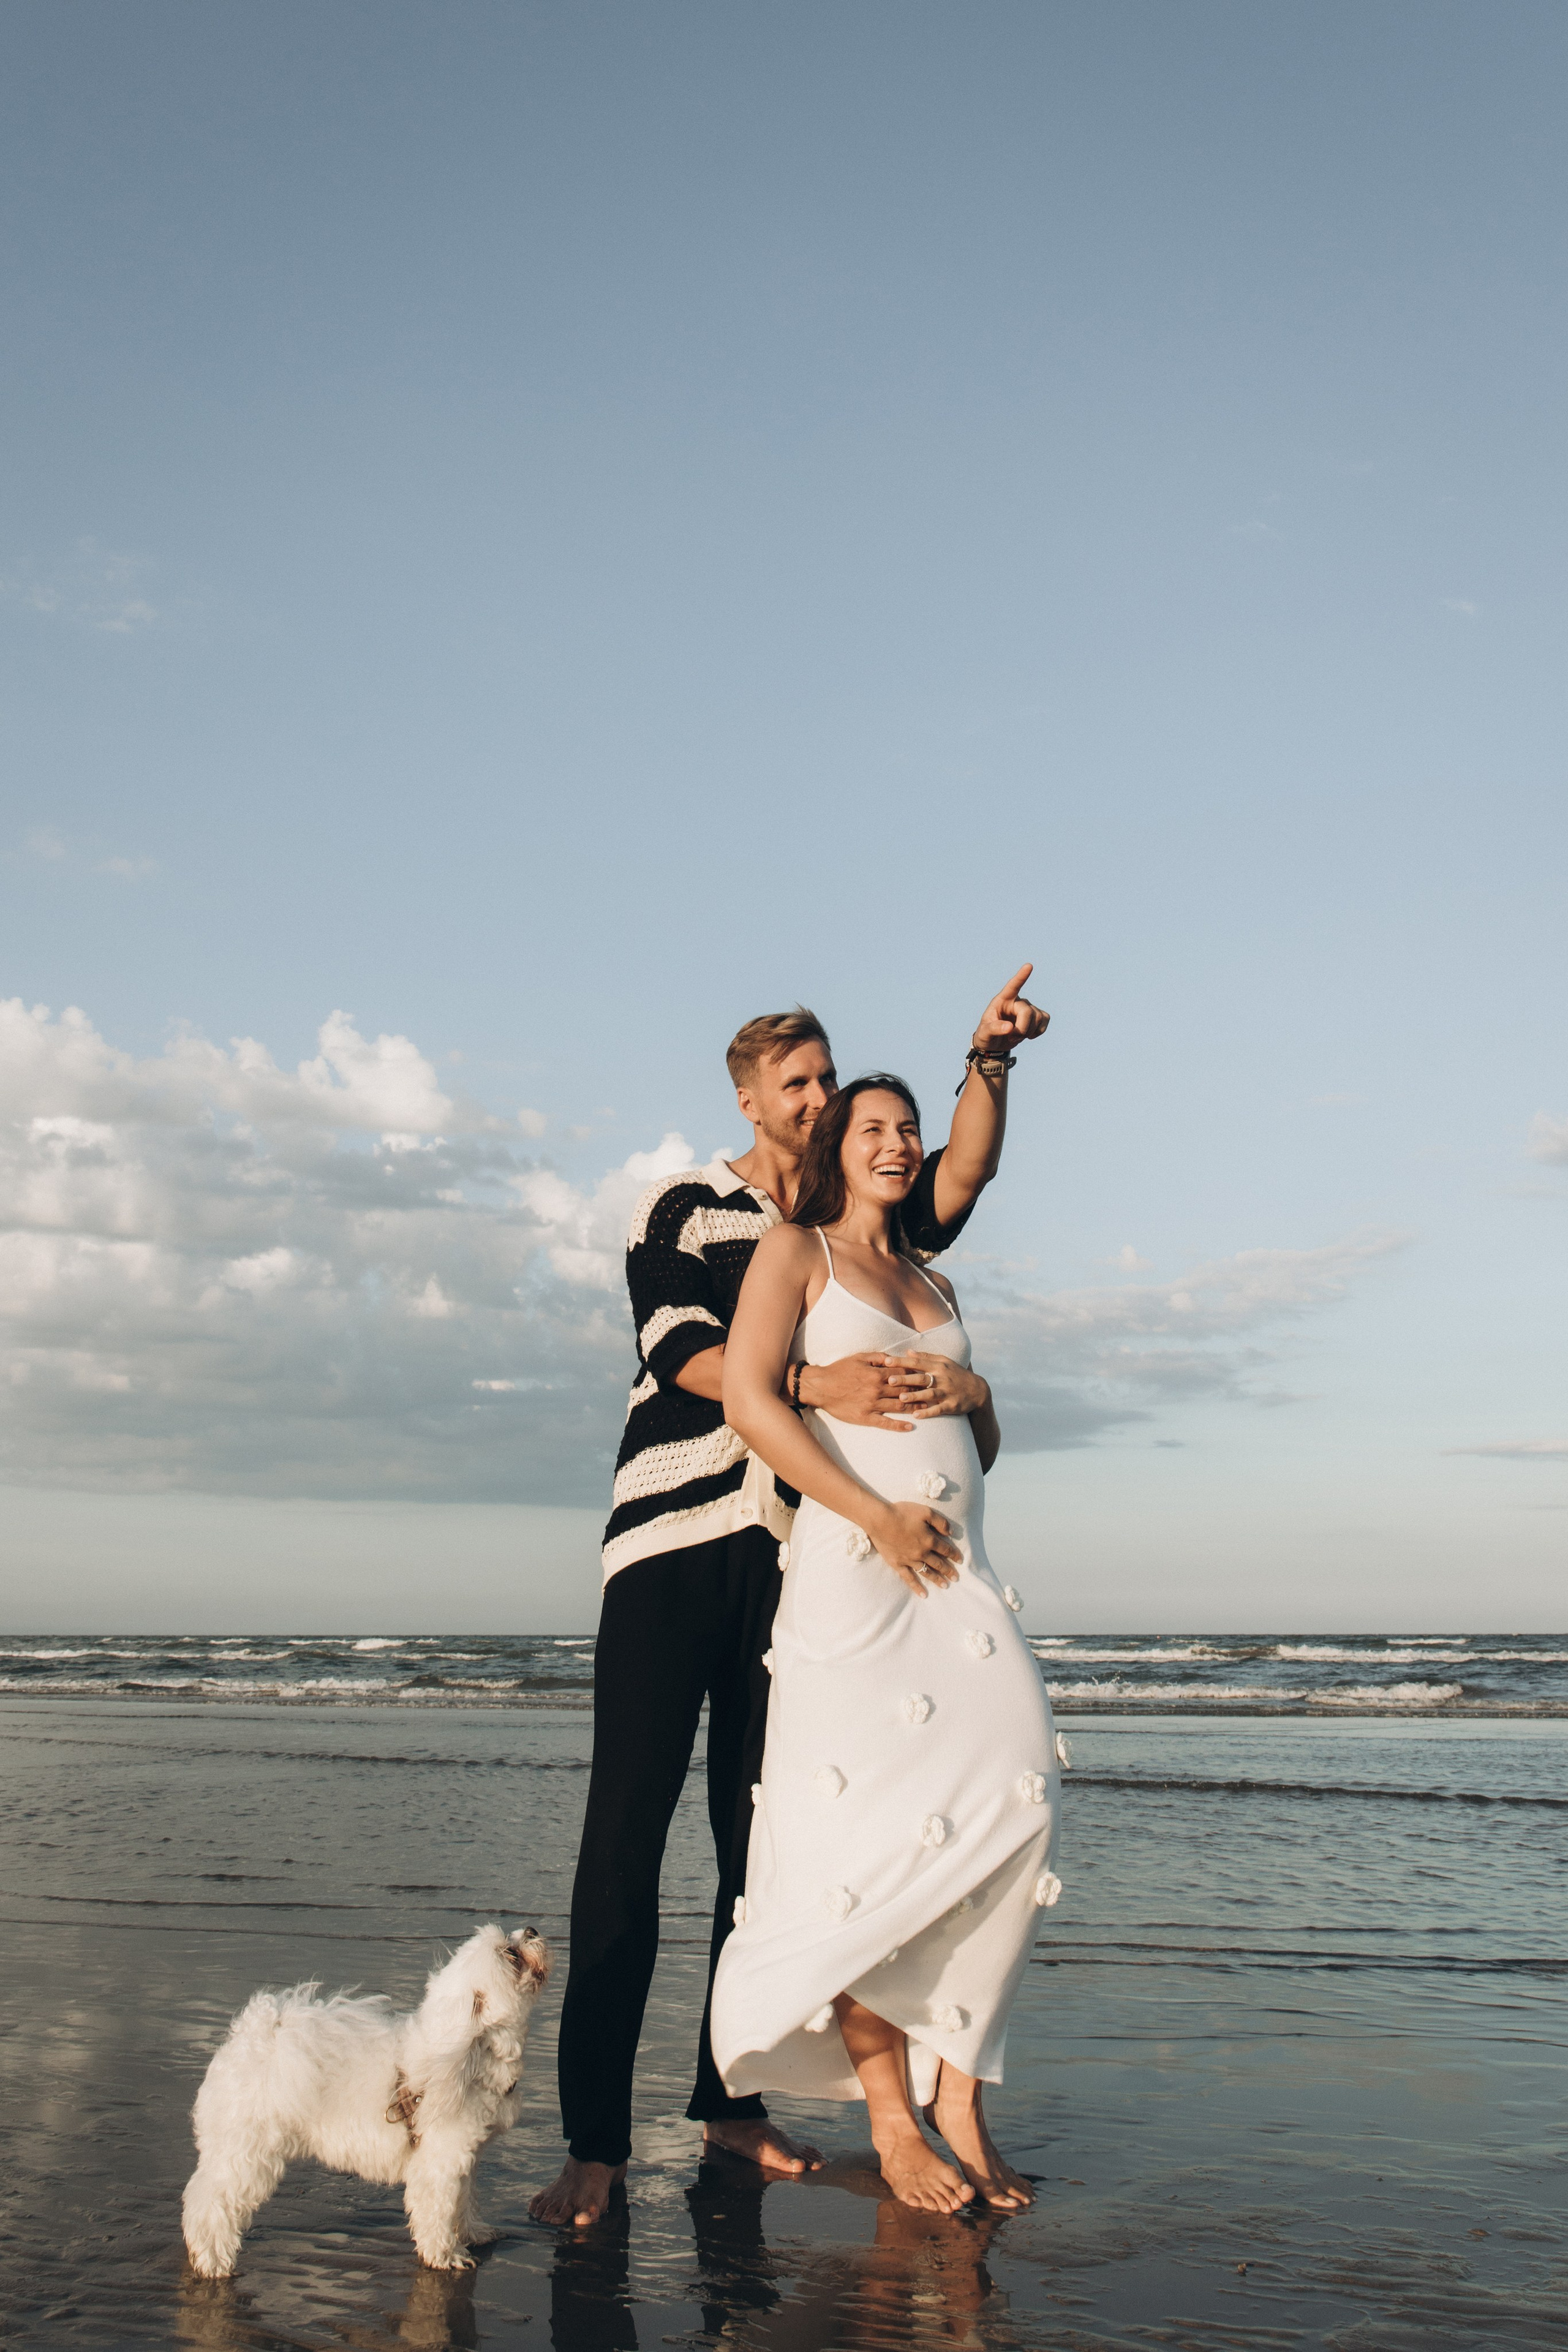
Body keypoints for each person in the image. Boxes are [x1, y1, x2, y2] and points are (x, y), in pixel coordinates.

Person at [529, 971, 1049, 2228]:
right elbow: (688, 1356)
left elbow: (958, 1178)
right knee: (626, 1839)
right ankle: (595, 2142)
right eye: (801, 1085)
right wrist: (821, 1387)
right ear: (750, 1097)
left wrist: (985, 1062)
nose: (820, 1101)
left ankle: (728, 2106)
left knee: (761, 1841)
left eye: (831, 1081)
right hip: (672, 1544)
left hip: (787, 1559)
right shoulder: (691, 1205)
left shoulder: (850, 1221)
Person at [710, 1073, 1061, 2214]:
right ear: (836, 1149)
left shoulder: (935, 1276)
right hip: (857, 1576)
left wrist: (978, 1387)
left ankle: (959, 2095)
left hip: (960, 1582)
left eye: (911, 1128)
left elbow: (983, 1447)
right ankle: (894, 2120)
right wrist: (875, 1517)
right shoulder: (795, 1254)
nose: (902, 1144)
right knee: (867, 1845)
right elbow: (754, 1405)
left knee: (1023, 1806)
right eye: (877, 1129)